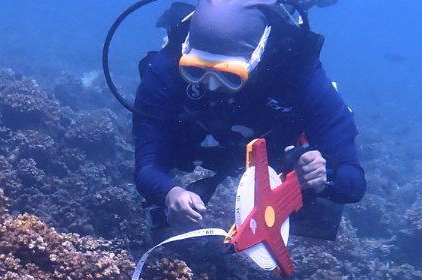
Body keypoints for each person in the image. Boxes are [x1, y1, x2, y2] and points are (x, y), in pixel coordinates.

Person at [133, 0, 364, 237]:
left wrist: (325, 176)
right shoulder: (165, 67)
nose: (212, 86)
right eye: (196, 71)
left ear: (257, 56)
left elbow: (354, 183)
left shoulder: (300, 72)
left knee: (313, 208)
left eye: (230, 77)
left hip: (276, 153)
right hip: (196, 141)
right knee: (157, 202)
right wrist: (170, 192)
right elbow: (147, 165)